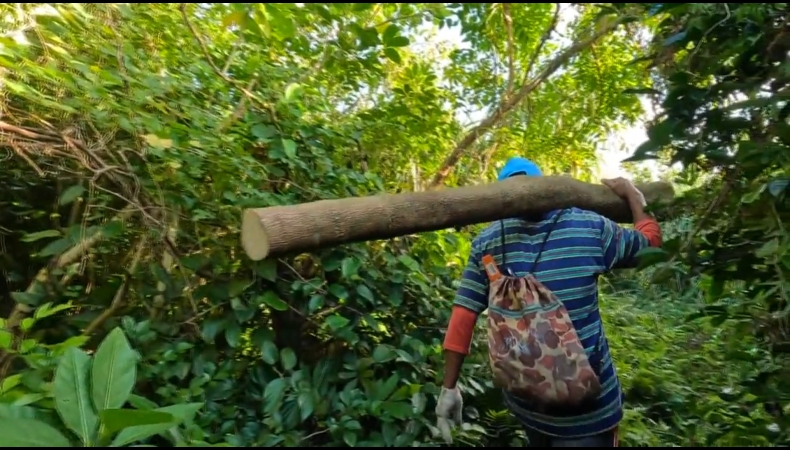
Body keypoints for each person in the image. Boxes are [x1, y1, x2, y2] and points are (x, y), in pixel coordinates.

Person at [434, 157, 662, 447]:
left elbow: (463, 315)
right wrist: (635, 199)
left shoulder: (487, 242)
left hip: (527, 406)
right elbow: (651, 245)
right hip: (589, 415)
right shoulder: (589, 227)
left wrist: (449, 388)